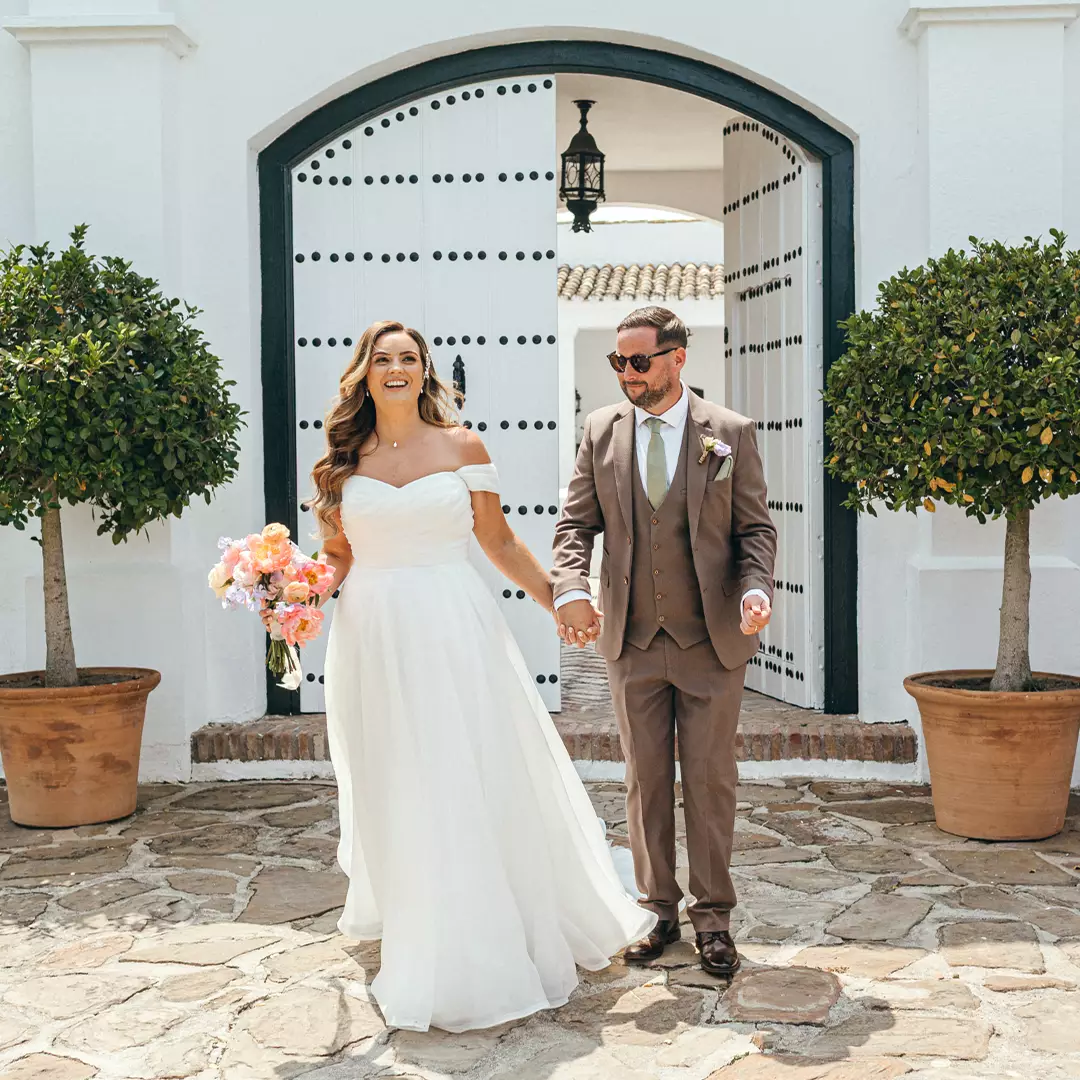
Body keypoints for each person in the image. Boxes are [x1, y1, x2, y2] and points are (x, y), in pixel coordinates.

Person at [303, 319, 656, 1034]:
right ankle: (413, 910)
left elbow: (497, 540)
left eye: (408, 357)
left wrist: (562, 600)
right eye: (382, 358)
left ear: (424, 371)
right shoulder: (341, 457)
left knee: (457, 770)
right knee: (391, 776)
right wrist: (298, 591)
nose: (395, 368)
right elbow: (337, 555)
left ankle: (471, 930)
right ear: (364, 374)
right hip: (370, 631)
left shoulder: (464, 447)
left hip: (450, 626)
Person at [552, 306, 777, 978]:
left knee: (709, 780)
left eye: (639, 361)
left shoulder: (729, 433)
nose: (627, 373)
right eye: (618, 362)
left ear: (678, 358)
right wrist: (570, 586)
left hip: (712, 639)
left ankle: (714, 918)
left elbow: (755, 530)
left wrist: (754, 588)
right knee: (645, 780)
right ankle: (658, 910)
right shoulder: (600, 431)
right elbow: (575, 525)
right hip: (633, 639)